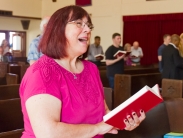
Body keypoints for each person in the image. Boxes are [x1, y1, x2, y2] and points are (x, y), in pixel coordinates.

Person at [20, 5, 145, 138]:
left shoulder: (91, 69)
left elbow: (104, 113)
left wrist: (124, 120)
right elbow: (48, 133)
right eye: (79, 23)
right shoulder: (41, 72)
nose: (87, 30)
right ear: (58, 30)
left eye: (88, 26)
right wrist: (98, 128)